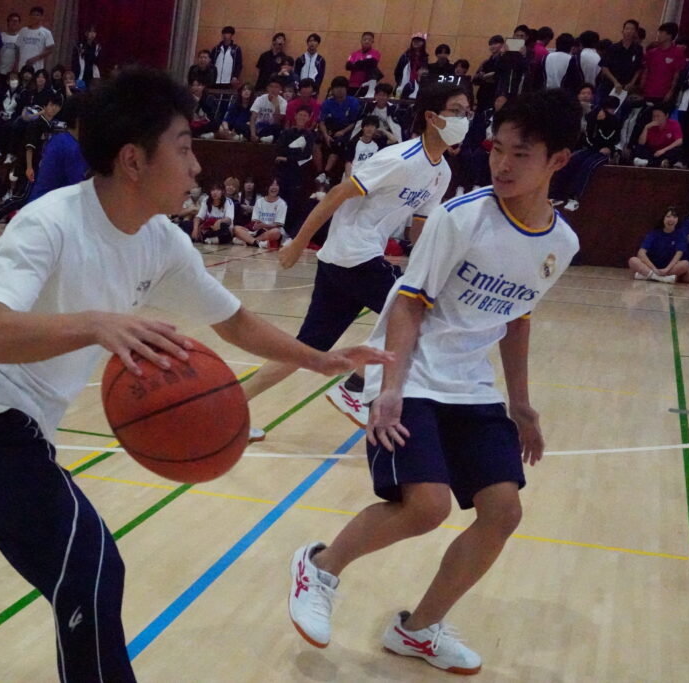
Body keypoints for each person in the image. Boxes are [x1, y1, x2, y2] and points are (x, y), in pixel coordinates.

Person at [0, 69, 394, 683]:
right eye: (183, 149)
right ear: (133, 160)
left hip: (10, 425)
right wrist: (95, 324)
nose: (197, 166)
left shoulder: (161, 241)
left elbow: (234, 321)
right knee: (89, 567)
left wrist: (320, 359)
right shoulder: (50, 222)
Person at [286, 89, 583, 674]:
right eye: (497, 149)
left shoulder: (561, 244)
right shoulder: (461, 217)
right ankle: (318, 569)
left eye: (520, 154)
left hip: (470, 385)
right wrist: (389, 389)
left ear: (558, 161)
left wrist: (522, 405)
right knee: (426, 506)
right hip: (412, 370)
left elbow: (517, 317)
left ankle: (418, 630)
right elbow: (407, 304)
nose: (502, 164)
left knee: (503, 512)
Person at [240, 83, 467, 436]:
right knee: (416, 316)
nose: (464, 119)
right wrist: (298, 242)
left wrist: (431, 267)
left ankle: (232, 405)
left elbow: (419, 229)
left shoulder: (442, 173)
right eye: (456, 111)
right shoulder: (399, 159)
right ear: (431, 116)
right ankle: (356, 386)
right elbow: (336, 194)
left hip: (346, 260)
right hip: (353, 253)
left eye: (467, 113)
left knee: (309, 346)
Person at [551, 95, 620, 211]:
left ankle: (574, 198)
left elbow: (613, 138)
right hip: (591, 148)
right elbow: (589, 135)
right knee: (571, 160)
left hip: (605, 151)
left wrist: (610, 148)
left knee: (588, 165)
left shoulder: (614, 121)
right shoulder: (592, 117)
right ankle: (557, 195)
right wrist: (596, 122)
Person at [627, 207, 689, 282]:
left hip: (669, 267)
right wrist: (654, 269)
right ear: (663, 218)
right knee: (633, 260)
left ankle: (648, 276)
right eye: (668, 216)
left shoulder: (680, 234)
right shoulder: (654, 233)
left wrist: (666, 269)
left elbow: (678, 254)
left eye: (674, 217)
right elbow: (641, 253)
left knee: (685, 264)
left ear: (678, 219)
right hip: (651, 266)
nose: (671, 219)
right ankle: (661, 278)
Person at [317, 76, 361, 181]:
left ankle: (326, 173)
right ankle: (321, 172)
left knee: (339, 143)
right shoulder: (327, 103)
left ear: (346, 88)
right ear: (332, 89)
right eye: (336, 87)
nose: (339, 90)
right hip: (330, 129)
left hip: (348, 130)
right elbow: (321, 122)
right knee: (318, 141)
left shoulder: (353, 102)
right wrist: (326, 136)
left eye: (342, 87)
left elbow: (355, 122)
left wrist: (343, 131)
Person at [234, 178, 287, 251]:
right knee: (236, 228)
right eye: (271, 185)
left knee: (276, 232)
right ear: (267, 187)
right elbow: (255, 220)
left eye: (276, 185)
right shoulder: (259, 201)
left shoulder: (282, 203)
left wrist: (264, 225)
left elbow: (278, 224)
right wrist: (257, 225)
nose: (274, 187)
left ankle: (250, 241)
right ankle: (256, 242)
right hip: (258, 230)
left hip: (271, 231)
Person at [641, 22, 685, 106]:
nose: (658, 35)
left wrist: (671, 91)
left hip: (664, 95)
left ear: (669, 35)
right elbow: (646, 71)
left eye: (661, 33)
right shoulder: (652, 52)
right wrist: (642, 87)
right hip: (648, 92)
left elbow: (677, 74)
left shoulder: (677, 52)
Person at [24, 92, 63, 183]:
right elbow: (29, 147)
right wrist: (29, 167)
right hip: (31, 164)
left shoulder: (53, 126)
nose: (54, 108)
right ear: (45, 106)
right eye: (51, 105)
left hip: (43, 164)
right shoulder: (36, 124)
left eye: (57, 106)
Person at [17, 6, 55, 72]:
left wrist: (35, 59)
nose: (34, 17)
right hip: (22, 65)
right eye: (33, 14)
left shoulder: (46, 32)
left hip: (37, 66)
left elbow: (50, 49)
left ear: (42, 17)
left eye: (37, 15)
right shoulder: (23, 31)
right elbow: (18, 48)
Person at [249, 77, 286, 143]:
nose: (273, 89)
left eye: (276, 87)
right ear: (267, 88)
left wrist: (277, 106)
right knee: (242, 126)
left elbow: (277, 121)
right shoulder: (260, 99)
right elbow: (253, 118)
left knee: (277, 128)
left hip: (270, 129)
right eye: (271, 86)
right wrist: (253, 134)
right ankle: (260, 139)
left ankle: (260, 139)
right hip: (258, 128)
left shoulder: (283, 102)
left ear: (280, 89)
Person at [394, 34, 429, 98]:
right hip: (404, 84)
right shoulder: (405, 56)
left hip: (417, 85)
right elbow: (397, 71)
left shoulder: (425, 57)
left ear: (423, 43)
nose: (416, 42)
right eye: (414, 40)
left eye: (418, 40)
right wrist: (400, 82)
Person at [346, 32, 381, 96]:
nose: (367, 41)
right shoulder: (354, 54)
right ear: (361, 41)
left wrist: (356, 64)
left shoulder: (375, 53)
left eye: (369, 40)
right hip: (352, 84)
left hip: (367, 85)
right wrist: (364, 64)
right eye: (365, 39)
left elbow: (373, 63)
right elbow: (348, 66)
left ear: (372, 42)